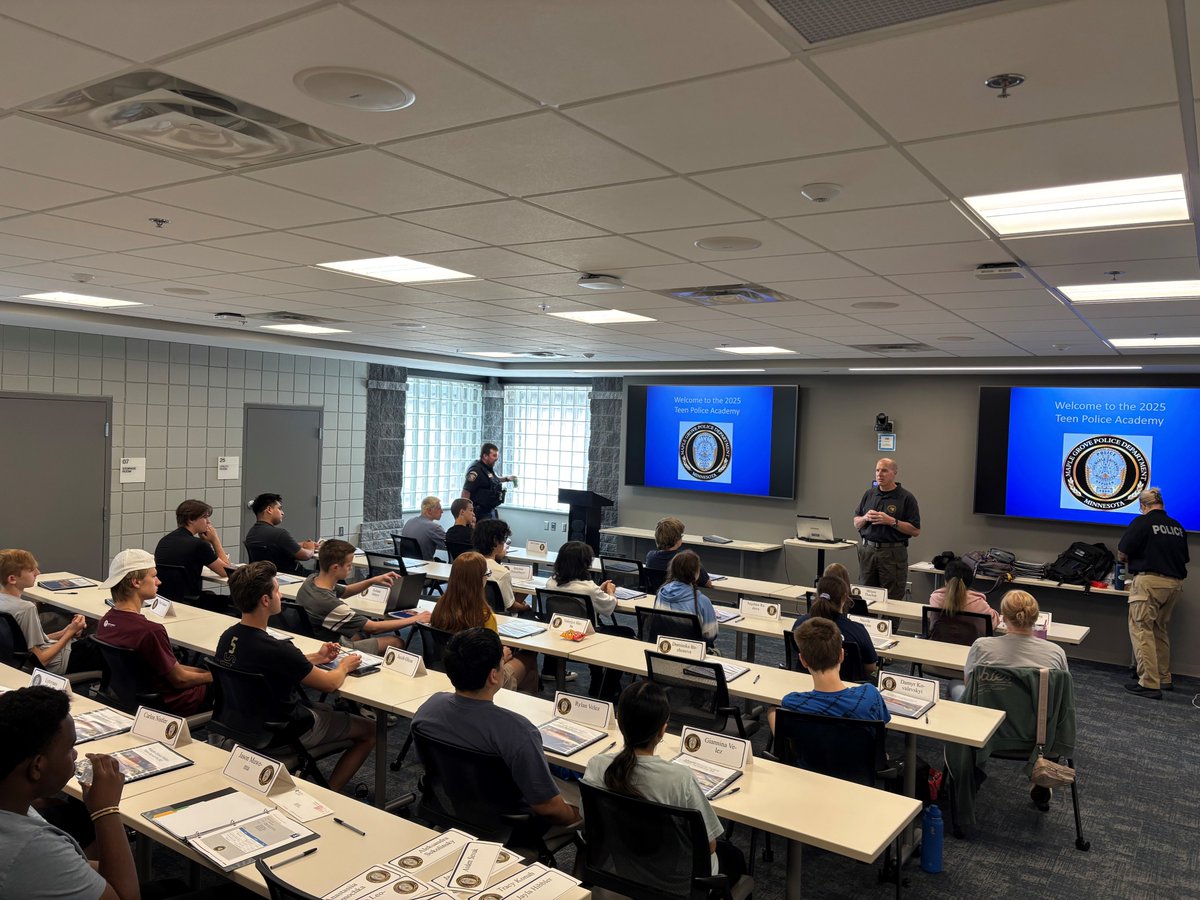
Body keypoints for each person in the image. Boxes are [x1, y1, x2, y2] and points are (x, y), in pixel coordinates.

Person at [215, 561, 375, 791]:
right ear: (265, 600)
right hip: (281, 732)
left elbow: (276, 664)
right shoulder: (277, 648)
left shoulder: (229, 637)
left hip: (240, 725)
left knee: (326, 710)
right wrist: (345, 666)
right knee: (370, 729)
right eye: (277, 590)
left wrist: (318, 658)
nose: (280, 595)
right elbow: (329, 684)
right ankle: (331, 792)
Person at [412, 628, 579, 837]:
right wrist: (580, 817)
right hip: (509, 827)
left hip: (452, 808)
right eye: (502, 663)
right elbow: (549, 809)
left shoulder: (428, 710)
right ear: (493, 676)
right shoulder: (518, 732)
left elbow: (429, 766)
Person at [583, 681, 746, 881]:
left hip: (623, 869)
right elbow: (709, 845)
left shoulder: (596, 766)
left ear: (619, 721)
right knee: (735, 857)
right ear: (662, 730)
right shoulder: (679, 778)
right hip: (678, 882)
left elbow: (590, 821)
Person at [0, 686, 140, 900]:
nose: (75, 755)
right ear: (37, 766)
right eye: (69, 748)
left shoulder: (12, 802)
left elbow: (70, 866)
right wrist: (106, 810)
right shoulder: (32, 849)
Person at [961, 589, 1068, 810]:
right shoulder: (1055, 653)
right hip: (1040, 734)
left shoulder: (982, 646)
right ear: (1036, 618)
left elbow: (969, 685)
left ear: (1002, 617)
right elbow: (1061, 699)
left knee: (955, 691)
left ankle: (969, 771)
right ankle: (1041, 772)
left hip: (989, 731)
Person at [96, 549, 211, 716]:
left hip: (131, 698)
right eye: (153, 576)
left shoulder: (105, 622)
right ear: (136, 582)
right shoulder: (151, 631)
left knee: (202, 669)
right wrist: (213, 676)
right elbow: (180, 680)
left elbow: (169, 668)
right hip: (169, 702)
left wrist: (202, 672)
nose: (159, 582)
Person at [295, 539, 429, 654]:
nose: (351, 568)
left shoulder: (312, 580)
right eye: (349, 565)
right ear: (335, 567)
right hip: (334, 649)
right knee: (396, 642)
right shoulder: (329, 604)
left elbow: (345, 591)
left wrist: (372, 580)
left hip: (316, 639)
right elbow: (374, 627)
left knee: (358, 635)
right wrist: (415, 619)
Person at [430, 552, 536, 693]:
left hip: (449, 671)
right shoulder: (484, 616)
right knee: (529, 659)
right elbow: (493, 659)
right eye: (487, 573)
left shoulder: (440, 608)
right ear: (480, 580)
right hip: (483, 680)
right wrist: (503, 654)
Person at [1118, 487, 1188, 699]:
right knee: (1159, 630)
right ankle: (1163, 678)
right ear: (1162, 504)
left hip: (1149, 582)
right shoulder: (1177, 526)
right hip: (1174, 584)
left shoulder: (1142, 522)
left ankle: (1149, 683)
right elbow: (1184, 558)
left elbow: (1123, 551)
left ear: (1143, 506)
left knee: (1141, 630)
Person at [546, 541, 635, 700]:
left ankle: (597, 678)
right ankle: (606, 687)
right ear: (584, 563)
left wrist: (598, 591)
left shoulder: (551, 582)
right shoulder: (588, 588)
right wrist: (610, 592)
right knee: (626, 635)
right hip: (585, 635)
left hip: (561, 633)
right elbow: (609, 607)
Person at [769, 617, 890, 732]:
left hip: (811, 754)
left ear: (803, 660)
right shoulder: (870, 696)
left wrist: (771, 713)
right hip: (859, 753)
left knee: (772, 711)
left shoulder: (792, 703)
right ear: (841, 655)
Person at [0, 549, 94, 676]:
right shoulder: (26, 609)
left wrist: (65, 631)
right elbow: (41, 660)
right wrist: (70, 633)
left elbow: (23, 643)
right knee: (100, 647)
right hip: (54, 664)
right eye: (31, 570)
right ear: (12, 579)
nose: (38, 572)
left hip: (15, 663)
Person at [852, 457, 921, 600]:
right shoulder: (869, 494)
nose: (879, 474)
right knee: (864, 597)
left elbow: (915, 530)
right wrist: (865, 518)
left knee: (892, 599)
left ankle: (889, 624)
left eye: (884, 470)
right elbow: (856, 522)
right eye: (877, 470)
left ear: (894, 473)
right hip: (868, 552)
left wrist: (891, 521)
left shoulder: (906, 498)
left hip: (893, 554)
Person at [154, 499, 232, 613]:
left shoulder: (164, 541)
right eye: (205, 517)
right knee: (232, 604)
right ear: (191, 519)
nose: (208, 522)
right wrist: (215, 540)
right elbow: (226, 571)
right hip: (192, 602)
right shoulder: (199, 545)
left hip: (164, 601)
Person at [792, 575, 878, 678]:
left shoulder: (800, 624)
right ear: (844, 599)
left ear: (817, 595)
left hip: (806, 681)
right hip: (847, 687)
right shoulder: (857, 630)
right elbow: (871, 667)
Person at [244, 493, 317, 576]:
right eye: (279, 508)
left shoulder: (252, 533)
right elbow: (305, 556)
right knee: (329, 575)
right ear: (269, 510)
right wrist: (311, 547)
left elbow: (276, 547)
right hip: (293, 576)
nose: (282, 513)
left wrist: (302, 544)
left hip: (268, 579)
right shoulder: (279, 534)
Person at [654, 550, 718, 645]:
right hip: (691, 653)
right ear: (696, 573)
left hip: (664, 647)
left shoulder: (661, 593)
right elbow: (711, 635)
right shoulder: (702, 601)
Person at [472, 518, 532, 614]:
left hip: (470, 614)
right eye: (504, 539)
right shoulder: (502, 572)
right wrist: (526, 607)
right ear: (496, 541)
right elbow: (511, 607)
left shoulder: (465, 565)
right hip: (497, 619)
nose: (504, 543)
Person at [929, 558, 1001, 628]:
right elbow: (993, 622)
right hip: (971, 640)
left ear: (946, 581)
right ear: (970, 582)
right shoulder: (978, 603)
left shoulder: (935, 598)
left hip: (939, 639)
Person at [644, 517, 711, 587]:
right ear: (677, 539)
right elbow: (707, 583)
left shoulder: (650, 556)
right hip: (681, 597)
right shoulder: (686, 560)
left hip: (659, 596)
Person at [461, 442, 514, 520]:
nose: (496, 458)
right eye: (494, 455)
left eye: (497, 455)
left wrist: (506, 479)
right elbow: (466, 492)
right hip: (479, 513)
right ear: (485, 456)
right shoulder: (475, 470)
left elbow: (494, 480)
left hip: (489, 510)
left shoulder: (487, 467)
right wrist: (465, 514)